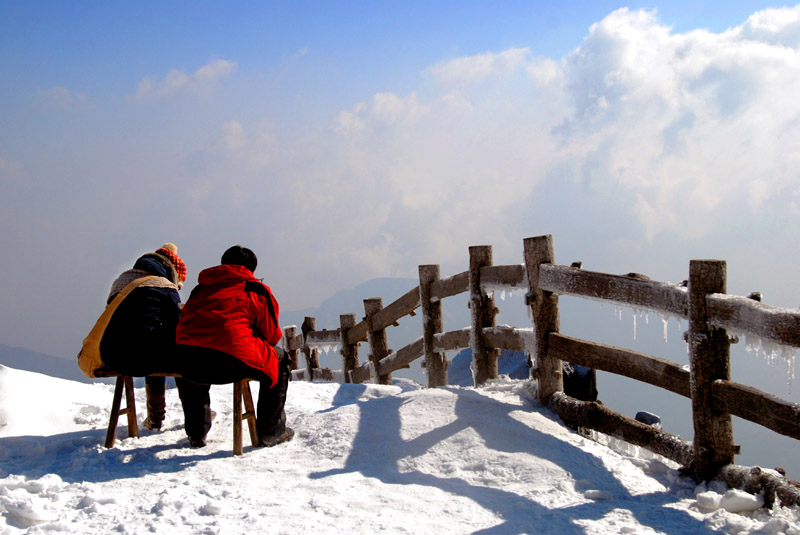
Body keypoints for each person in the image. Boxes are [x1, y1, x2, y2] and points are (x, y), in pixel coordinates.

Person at [175, 245, 293, 449]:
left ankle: (196, 433)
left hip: (187, 362)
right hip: (232, 361)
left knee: (198, 350)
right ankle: (270, 431)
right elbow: (272, 335)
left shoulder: (200, 288)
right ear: (251, 268)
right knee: (280, 360)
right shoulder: (255, 288)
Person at [101, 243, 187, 431]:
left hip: (113, 354)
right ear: (171, 270)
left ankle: (155, 419)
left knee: (148, 344)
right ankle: (195, 417)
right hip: (145, 357)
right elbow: (178, 325)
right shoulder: (164, 286)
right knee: (180, 353)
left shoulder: (122, 280)